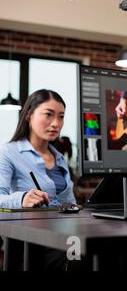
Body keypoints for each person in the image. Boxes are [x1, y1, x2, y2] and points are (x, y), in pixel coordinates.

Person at [0, 89, 77, 271]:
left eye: (61, 117)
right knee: (78, 254)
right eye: (48, 115)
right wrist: (21, 198)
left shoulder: (59, 158)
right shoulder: (8, 152)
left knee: (115, 248)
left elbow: (70, 205)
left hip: (62, 235)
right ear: (29, 116)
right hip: (32, 240)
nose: (56, 123)